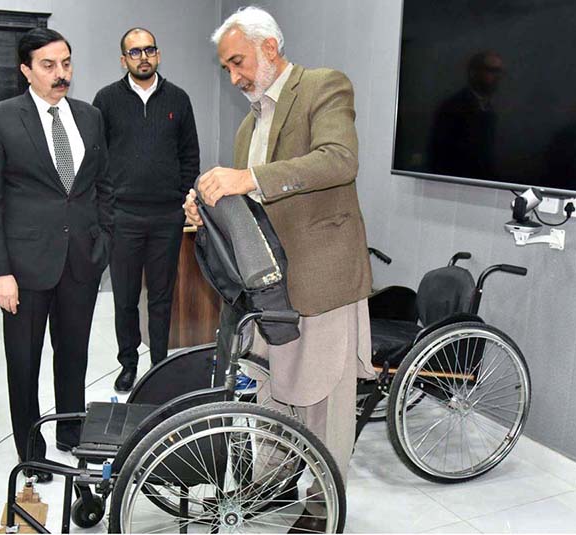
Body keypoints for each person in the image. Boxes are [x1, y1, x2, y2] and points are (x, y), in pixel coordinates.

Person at [184, 6, 372, 531]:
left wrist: (247, 178)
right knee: (274, 387)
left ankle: (323, 503)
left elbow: (339, 159)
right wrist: (208, 208)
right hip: (272, 284)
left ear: (270, 48)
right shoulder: (249, 124)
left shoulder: (323, 87)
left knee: (325, 400)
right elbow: (250, 202)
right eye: (226, 67)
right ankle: (275, 477)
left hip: (323, 276)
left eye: (237, 62)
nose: (234, 76)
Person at [0, 28, 113, 481]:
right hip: (24, 267)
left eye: (66, 63)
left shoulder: (90, 116)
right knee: (25, 361)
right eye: (49, 65)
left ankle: (71, 434)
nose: (61, 74)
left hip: (81, 260)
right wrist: (0, 271)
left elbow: (102, 183)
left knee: (73, 355)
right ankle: (31, 450)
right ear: (26, 70)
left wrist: (103, 239)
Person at [92, 28, 199, 393]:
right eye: (134, 52)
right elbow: (98, 158)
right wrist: (106, 210)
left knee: (161, 295)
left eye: (149, 50)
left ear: (158, 54)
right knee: (123, 296)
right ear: (123, 59)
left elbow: (190, 156)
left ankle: (159, 363)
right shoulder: (105, 100)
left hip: (166, 216)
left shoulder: (179, 100)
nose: (143, 57)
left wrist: (184, 199)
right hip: (122, 217)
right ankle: (128, 362)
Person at [427, 51, 504, 179]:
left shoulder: (489, 109)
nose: (497, 76)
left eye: (499, 72)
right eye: (491, 70)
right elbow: (440, 156)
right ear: (474, 73)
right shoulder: (452, 107)